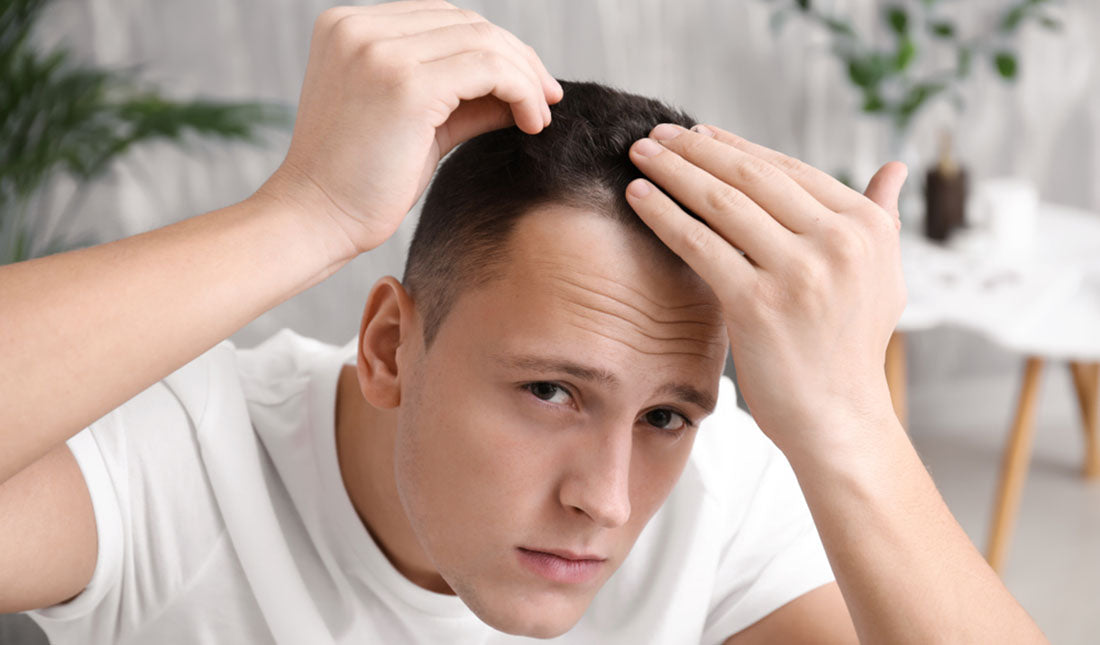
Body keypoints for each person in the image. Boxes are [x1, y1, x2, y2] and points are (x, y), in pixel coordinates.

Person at [0, 2, 1047, 644]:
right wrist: (304, 214)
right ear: (386, 347)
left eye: (667, 416)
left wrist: (850, 422)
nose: (603, 499)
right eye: (551, 391)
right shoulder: (187, 459)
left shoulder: (721, 499)